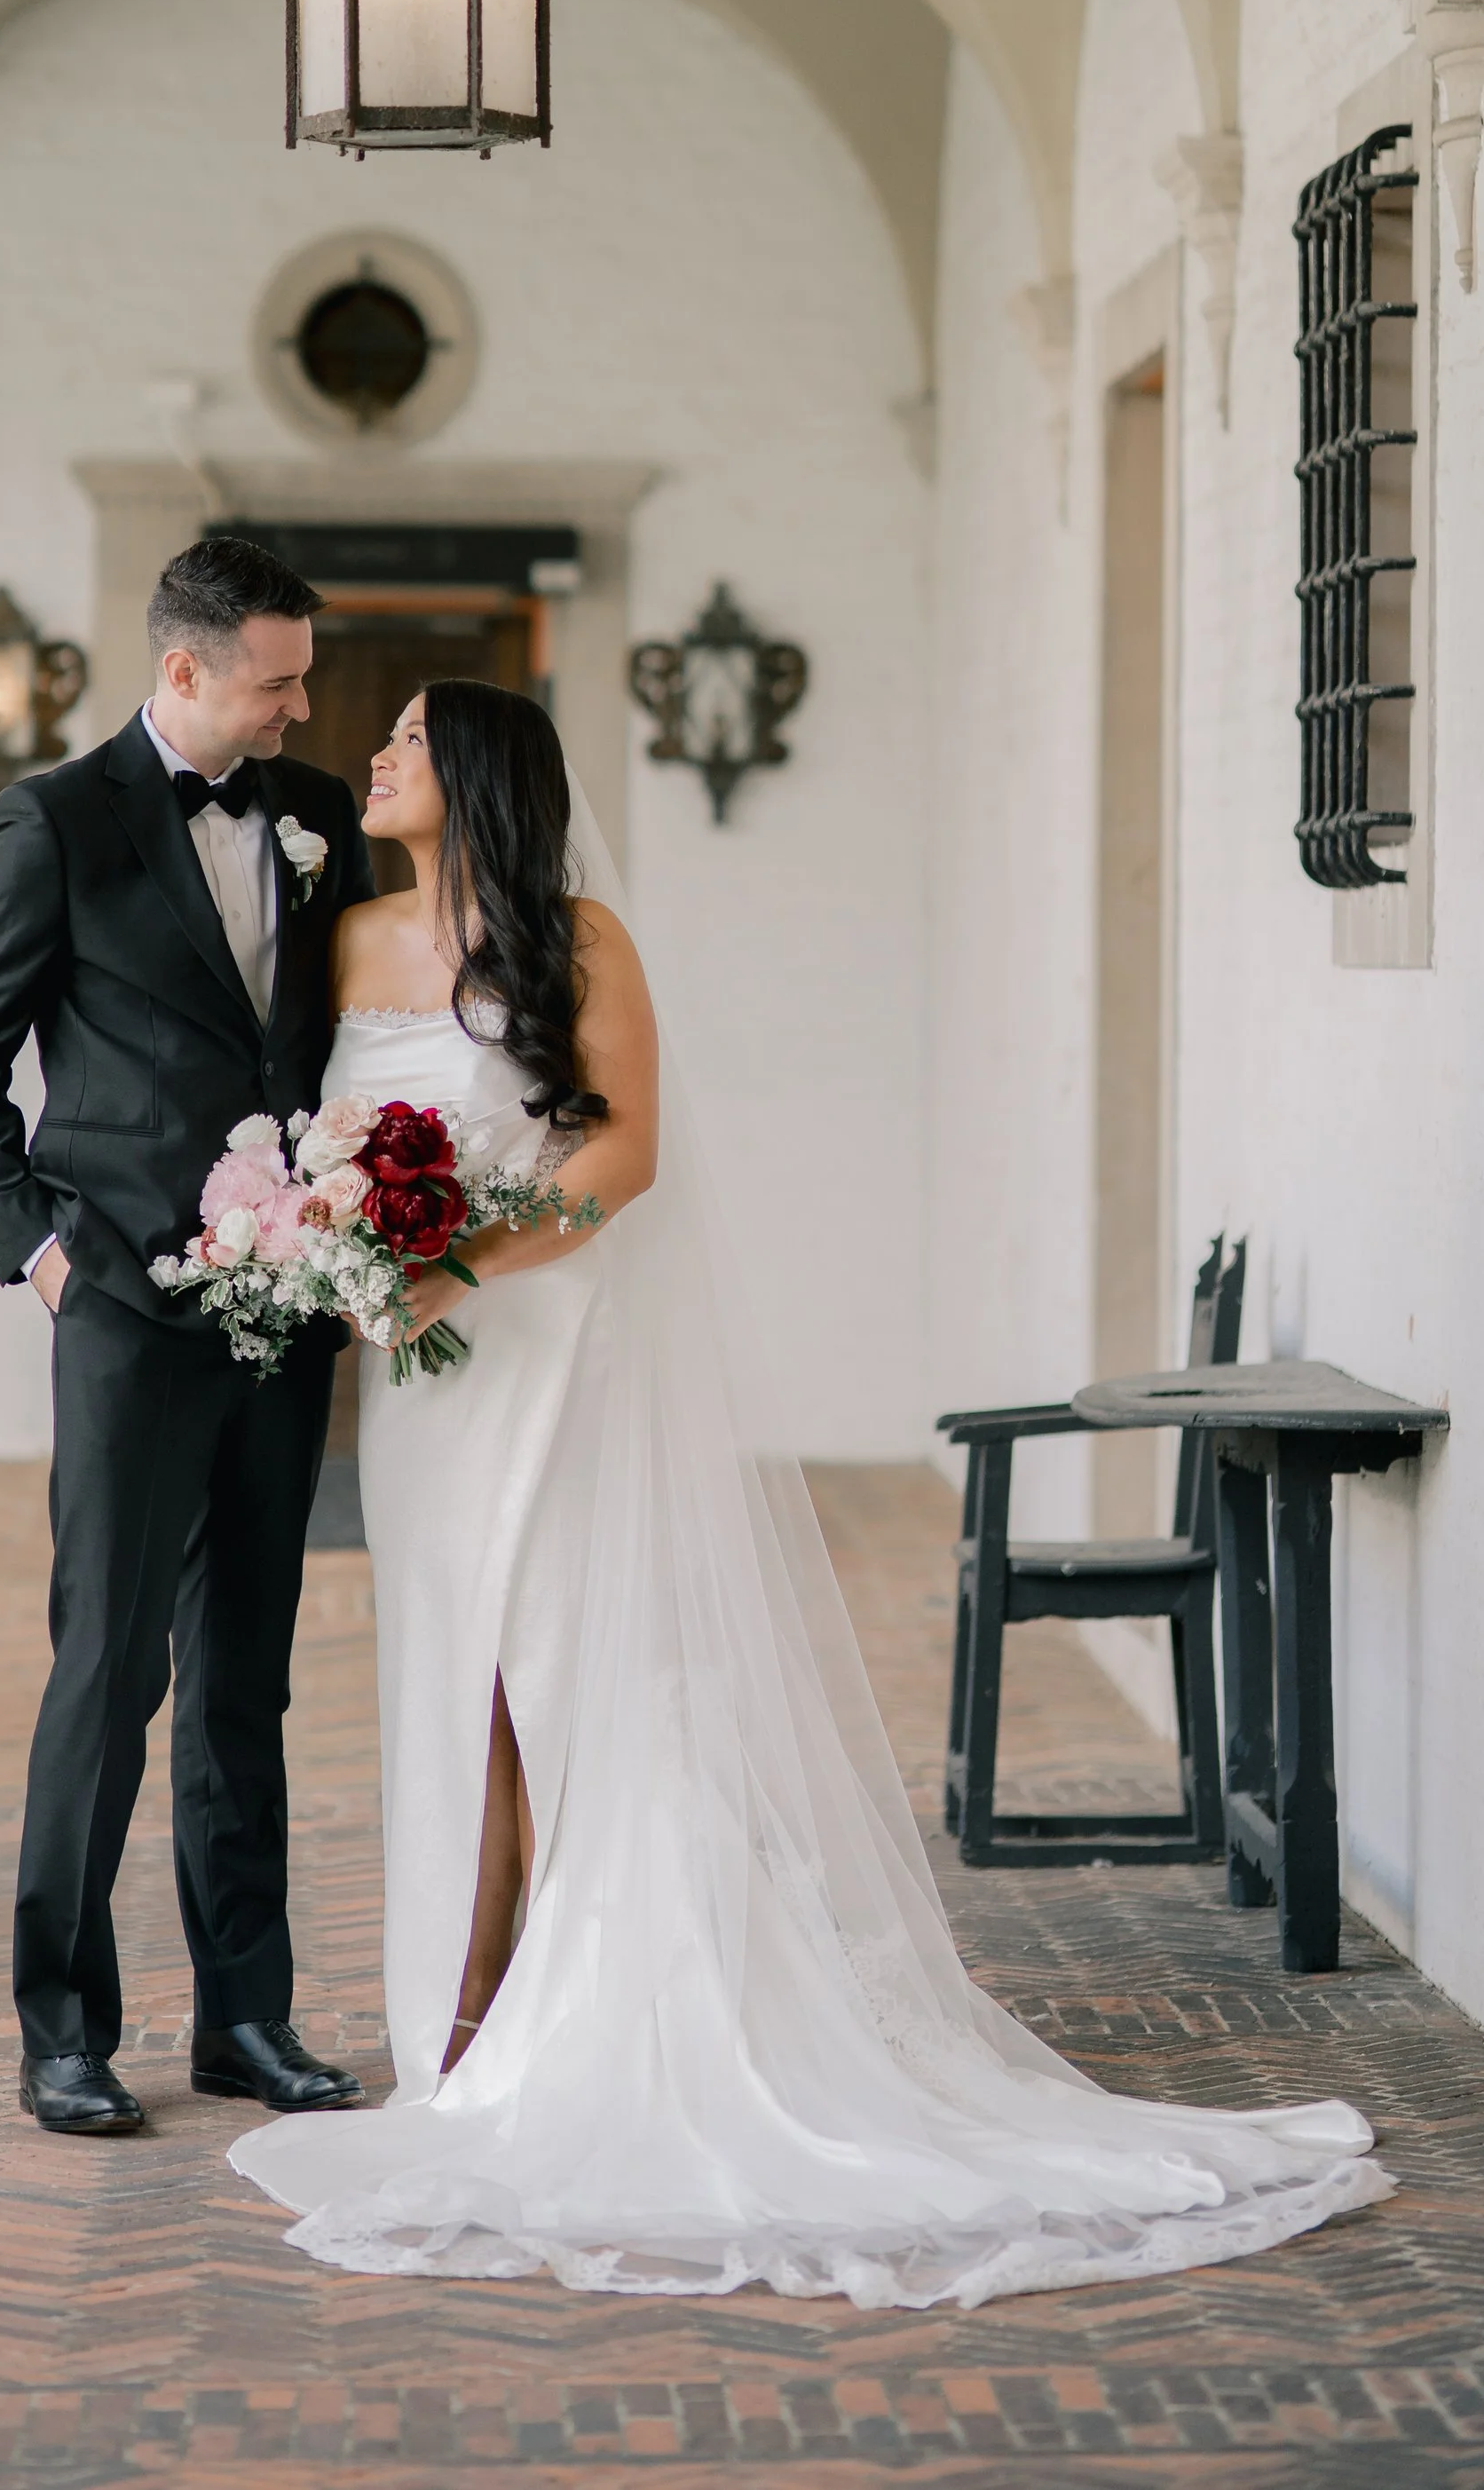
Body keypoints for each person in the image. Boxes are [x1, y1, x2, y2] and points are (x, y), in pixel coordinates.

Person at [231, 679, 1390, 2304]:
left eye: (412, 739)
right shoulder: (351, 943)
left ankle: (596, 2008)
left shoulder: (585, 942)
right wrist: (348, 1241)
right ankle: (460, 2014)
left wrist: (461, 1260)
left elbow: (615, 1158)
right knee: (454, 1681)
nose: (379, 755)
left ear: (477, 775)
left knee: (573, 1671)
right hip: (429, 1394)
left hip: (549, 1344)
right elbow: (327, 1136)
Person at [0, 538, 375, 2136]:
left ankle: (247, 2018)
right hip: (121, 1305)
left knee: (248, 1675)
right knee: (111, 1667)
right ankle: (63, 2025)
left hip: (290, 1308)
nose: (300, 702)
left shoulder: (317, 820)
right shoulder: (54, 819)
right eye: (276, 677)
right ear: (183, 670)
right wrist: (40, 1255)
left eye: (303, 674)